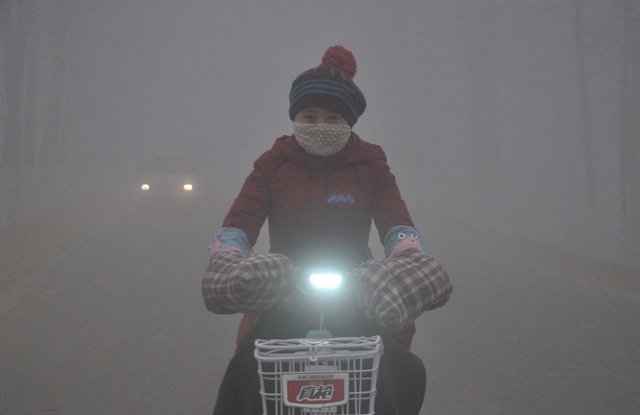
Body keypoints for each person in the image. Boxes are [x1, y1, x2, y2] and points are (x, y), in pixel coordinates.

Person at [203, 45, 451, 415]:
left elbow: (396, 222)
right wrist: (229, 257)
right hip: (281, 287)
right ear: (295, 116)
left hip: (358, 287)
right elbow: (240, 222)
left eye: (333, 118)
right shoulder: (272, 164)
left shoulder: (371, 164)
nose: (321, 125)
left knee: (396, 368)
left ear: (349, 121)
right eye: (310, 115)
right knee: (246, 370)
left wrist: (408, 255)